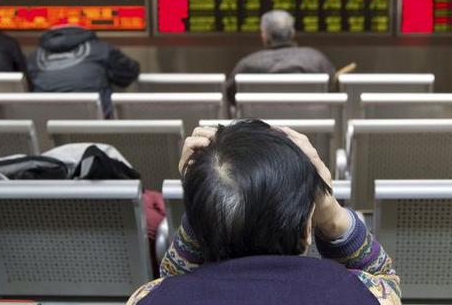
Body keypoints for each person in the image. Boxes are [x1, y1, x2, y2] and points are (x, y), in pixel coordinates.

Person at [128, 120, 401, 305]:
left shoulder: (147, 298)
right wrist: (330, 211)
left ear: (200, 228)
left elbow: (171, 282)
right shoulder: (366, 294)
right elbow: (386, 279)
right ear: (307, 231)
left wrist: (205, 196)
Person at [27, 25, 140, 118]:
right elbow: (128, 74)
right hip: (96, 129)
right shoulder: (101, 49)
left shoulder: (34, 57)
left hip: (46, 130)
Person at [226, 10, 336, 104]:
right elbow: (332, 89)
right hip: (311, 127)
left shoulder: (248, 64)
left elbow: (230, 96)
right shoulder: (317, 59)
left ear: (265, 35)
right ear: (292, 33)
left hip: (261, 128)